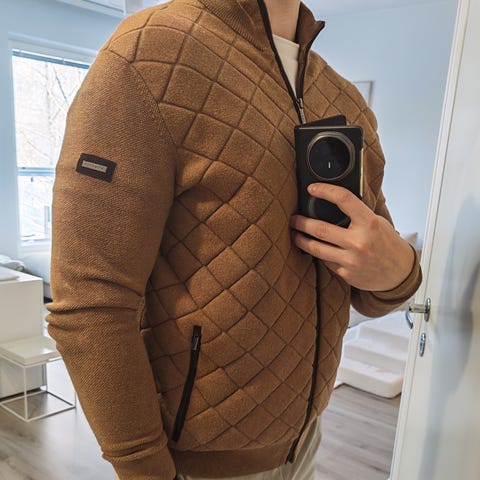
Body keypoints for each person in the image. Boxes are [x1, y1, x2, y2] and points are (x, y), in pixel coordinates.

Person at [45, 0, 422, 479]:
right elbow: (91, 303)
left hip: (306, 440)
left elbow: (368, 280)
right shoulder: (149, 54)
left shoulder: (343, 96)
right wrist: (143, 468)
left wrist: (401, 271)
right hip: (194, 462)